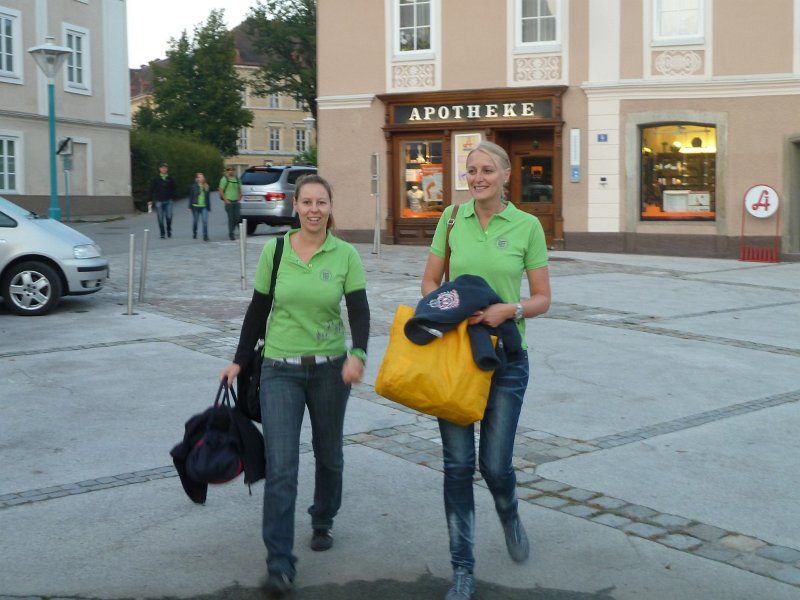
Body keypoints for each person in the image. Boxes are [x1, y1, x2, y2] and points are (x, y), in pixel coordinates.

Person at [219, 173, 370, 598]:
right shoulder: (276, 250)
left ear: (330, 207)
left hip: (330, 370)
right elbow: (258, 309)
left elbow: (359, 309)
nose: (314, 210)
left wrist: (358, 354)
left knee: (330, 456)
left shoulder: (345, 255)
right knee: (282, 466)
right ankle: (280, 563)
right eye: (307, 202)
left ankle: (323, 517)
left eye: (321, 202)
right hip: (279, 369)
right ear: (295, 206)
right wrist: (238, 360)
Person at [419, 140, 551, 600]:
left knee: (495, 466)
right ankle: (462, 569)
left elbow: (542, 298)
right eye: (471, 170)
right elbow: (430, 280)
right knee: (457, 466)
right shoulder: (451, 218)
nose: (477, 178)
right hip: (457, 356)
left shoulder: (527, 226)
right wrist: (448, 308)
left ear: (506, 175)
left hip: (507, 360)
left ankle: (509, 513)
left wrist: (508, 310)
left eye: (487, 170)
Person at [149, 162, 177, 239]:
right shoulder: (156, 179)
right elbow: (151, 189)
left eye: (165, 168)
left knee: (169, 217)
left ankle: (168, 229)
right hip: (159, 201)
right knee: (160, 218)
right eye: (162, 168)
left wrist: (173, 197)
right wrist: (150, 199)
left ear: (167, 169)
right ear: (160, 169)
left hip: (169, 201)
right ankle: (162, 232)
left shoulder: (170, 179)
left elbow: (174, 188)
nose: (164, 169)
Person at [218, 166, 242, 240]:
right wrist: (226, 200)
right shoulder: (224, 179)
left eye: (232, 170)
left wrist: (239, 199)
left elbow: (240, 190)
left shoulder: (237, 179)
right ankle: (231, 234)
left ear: (234, 171)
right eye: (228, 170)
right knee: (231, 218)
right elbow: (221, 190)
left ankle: (236, 230)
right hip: (229, 201)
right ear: (227, 171)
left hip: (236, 201)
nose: (230, 171)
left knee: (237, 218)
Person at [188, 172, 211, 241]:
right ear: (197, 179)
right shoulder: (193, 186)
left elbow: (208, 197)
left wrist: (209, 207)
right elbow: (191, 197)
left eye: (202, 177)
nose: (201, 178)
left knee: (205, 221)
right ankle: (194, 233)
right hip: (195, 206)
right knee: (195, 221)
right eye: (200, 177)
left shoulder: (206, 186)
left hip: (204, 206)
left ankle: (205, 236)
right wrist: (189, 207)